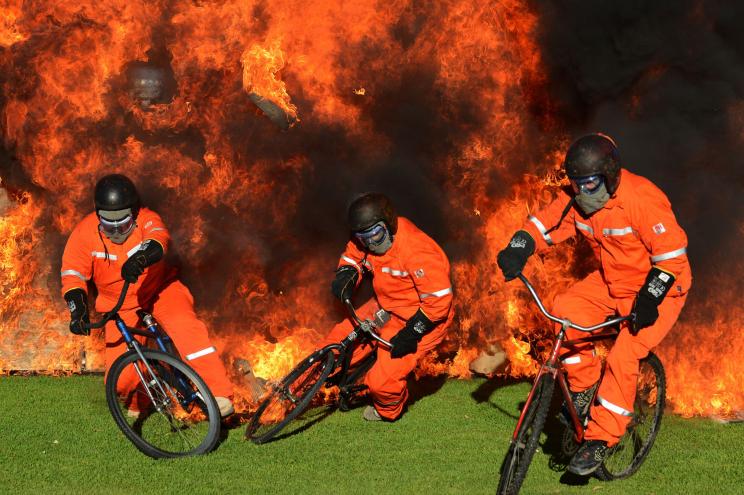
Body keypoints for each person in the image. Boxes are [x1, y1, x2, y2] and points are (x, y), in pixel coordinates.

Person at [497, 134, 691, 475]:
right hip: (610, 282)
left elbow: (672, 259)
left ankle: (601, 440)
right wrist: (518, 245)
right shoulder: (575, 199)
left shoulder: (642, 199)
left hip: (658, 289)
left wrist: (650, 298)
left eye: (590, 182)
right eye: (577, 183)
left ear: (610, 174)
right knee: (564, 313)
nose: (583, 191)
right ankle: (584, 388)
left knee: (624, 354)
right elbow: (544, 224)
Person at [60, 174, 235, 417]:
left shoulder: (147, 218)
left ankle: (218, 393)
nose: (116, 232)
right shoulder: (83, 234)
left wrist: (142, 257)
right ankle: (140, 401)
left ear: (133, 212)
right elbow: (72, 274)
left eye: (123, 225)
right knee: (120, 381)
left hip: (160, 289)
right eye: (108, 226)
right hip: (118, 305)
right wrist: (77, 307)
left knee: (186, 327)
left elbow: (158, 238)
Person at [323, 192, 454, 421]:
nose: (371, 243)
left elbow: (439, 301)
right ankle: (300, 386)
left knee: (382, 383)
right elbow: (353, 255)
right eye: (364, 238)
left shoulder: (417, 250)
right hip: (385, 306)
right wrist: (346, 274)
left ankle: (387, 411)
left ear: (389, 224)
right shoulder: (365, 240)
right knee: (335, 342)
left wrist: (413, 332)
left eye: (376, 235)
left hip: (422, 318)